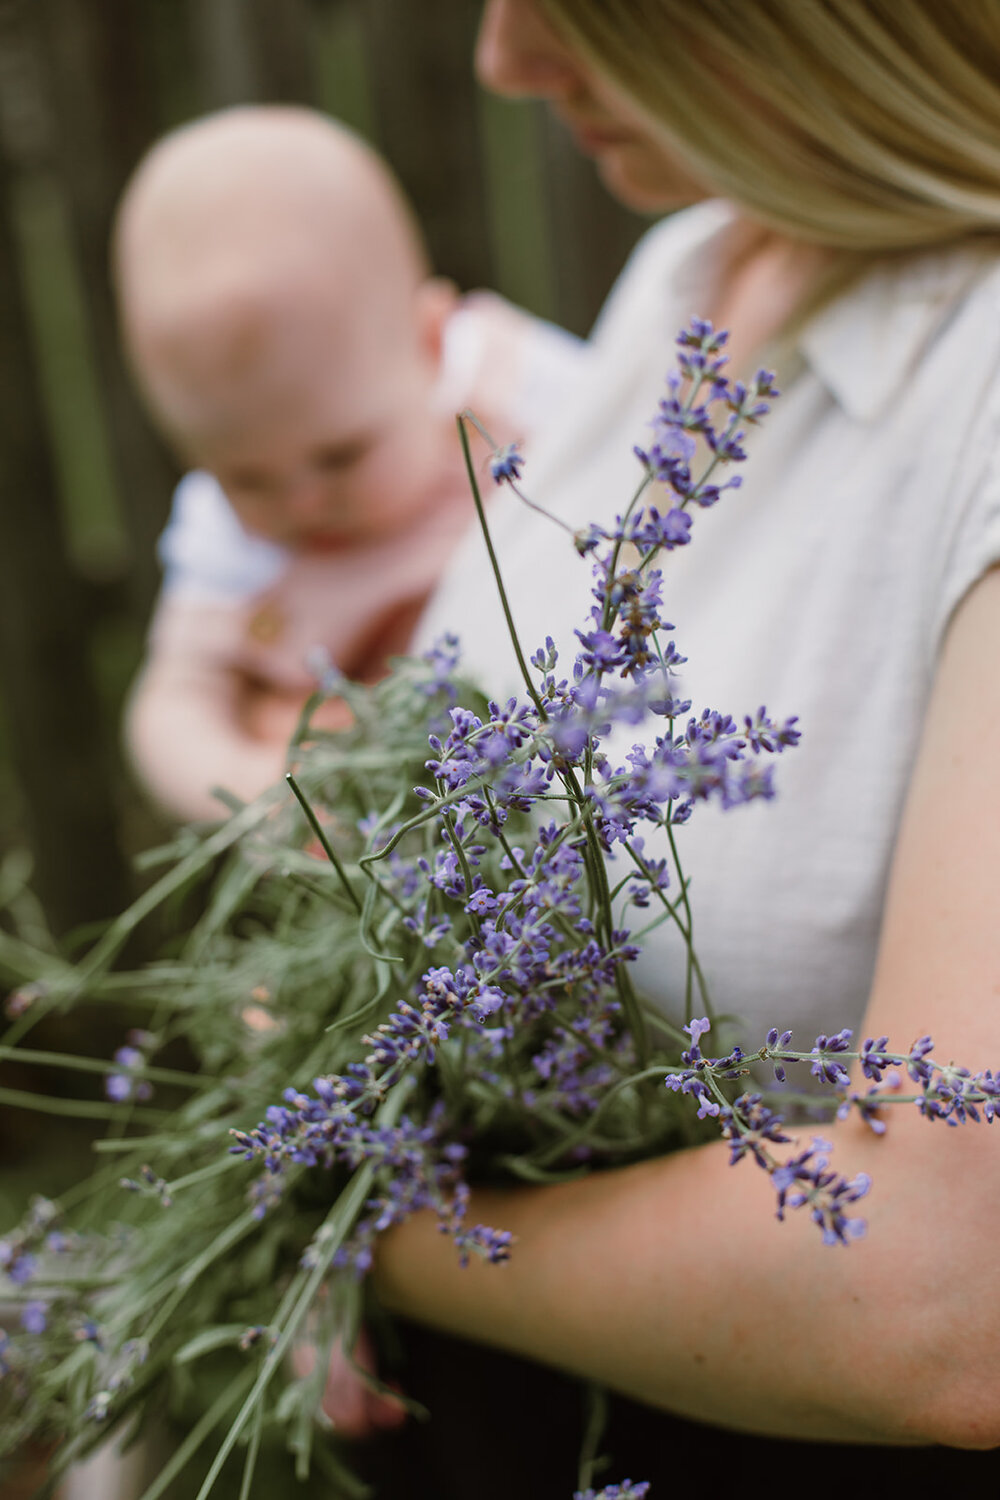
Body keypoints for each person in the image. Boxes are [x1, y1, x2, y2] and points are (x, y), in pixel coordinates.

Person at [335, 1, 1000, 1491]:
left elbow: (954, 1301)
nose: (504, 61)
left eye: (576, 5)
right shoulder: (698, 261)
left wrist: (372, 1227)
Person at [115, 106, 587, 822]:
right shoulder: (224, 534)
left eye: (340, 457)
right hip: (377, 835)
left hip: (557, 780)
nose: (301, 503)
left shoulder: (515, 390)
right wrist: (257, 792)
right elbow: (174, 699)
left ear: (431, 342)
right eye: (246, 477)